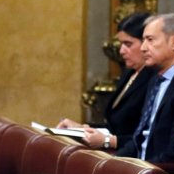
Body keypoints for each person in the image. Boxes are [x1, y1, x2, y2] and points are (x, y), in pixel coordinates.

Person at [113, 13, 174, 163]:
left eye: (150, 40)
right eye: (143, 40)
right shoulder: (155, 80)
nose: (143, 48)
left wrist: (138, 171)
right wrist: (112, 161)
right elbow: (140, 139)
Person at [56, 11, 156, 151]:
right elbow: (113, 127)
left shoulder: (155, 79)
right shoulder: (129, 72)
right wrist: (82, 128)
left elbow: (148, 137)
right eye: (121, 44)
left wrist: (109, 141)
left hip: (130, 157)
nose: (121, 51)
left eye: (128, 44)